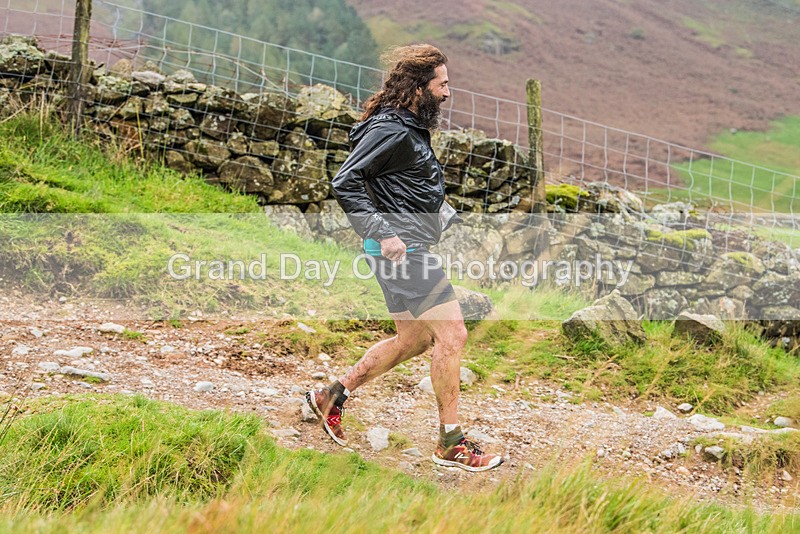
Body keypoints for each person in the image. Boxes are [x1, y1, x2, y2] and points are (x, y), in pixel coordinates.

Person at [305, 44, 503, 472]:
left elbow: (393, 183)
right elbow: (346, 181)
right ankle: (451, 443)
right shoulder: (392, 130)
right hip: (403, 251)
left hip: (402, 247)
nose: (448, 93)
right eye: (442, 84)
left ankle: (329, 397)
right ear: (419, 87)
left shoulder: (404, 127)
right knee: (453, 337)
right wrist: (385, 232)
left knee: (413, 339)